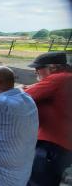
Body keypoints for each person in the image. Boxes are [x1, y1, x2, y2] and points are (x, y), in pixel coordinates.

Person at [24, 51, 72, 186]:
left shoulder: (58, 79)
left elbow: (22, 97)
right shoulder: (66, 78)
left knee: (37, 181)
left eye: (38, 68)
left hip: (51, 145)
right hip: (62, 144)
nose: (35, 72)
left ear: (53, 68)